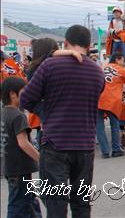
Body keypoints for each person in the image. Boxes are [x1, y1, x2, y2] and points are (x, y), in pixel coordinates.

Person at [20, 25, 105, 216]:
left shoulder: (50, 66)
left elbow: (26, 99)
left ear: (66, 42)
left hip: (55, 144)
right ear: (89, 44)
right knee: (82, 203)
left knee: (56, 203)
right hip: (85, 146)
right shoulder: (97, 72)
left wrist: (46, 111)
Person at [1, 77, 41, 218]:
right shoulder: (18, 116)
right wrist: (41, 159)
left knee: (29, 200)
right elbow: (23, 142)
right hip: (20, 168)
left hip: (9, 167)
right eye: (24, 91)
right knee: (17, 205)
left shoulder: (3, 113)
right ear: (13, 94)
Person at [96, 52, 125, 158]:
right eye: (123, 60)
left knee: (99, 126)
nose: (123, 63)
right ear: (118, 60)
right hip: (112, 100)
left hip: (97, 98)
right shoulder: (120, 70)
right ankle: (115, 149)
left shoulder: (101, 67)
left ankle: (105, 151)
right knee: (115, 124)